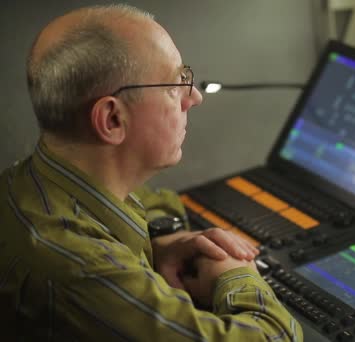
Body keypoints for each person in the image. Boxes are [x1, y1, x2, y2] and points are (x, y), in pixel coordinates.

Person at [0, 4, 302, 341]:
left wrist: (163, 242)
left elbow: (149, 201)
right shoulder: (75, 268)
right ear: (112, 119)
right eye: (175, 84)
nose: (195, 97)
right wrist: (234, 274)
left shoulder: (34, 181)